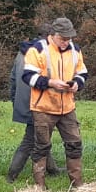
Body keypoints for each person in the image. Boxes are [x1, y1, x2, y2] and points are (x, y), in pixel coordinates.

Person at [22, 17, 88, 189]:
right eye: (63, 38)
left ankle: (78, 185)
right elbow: (28, 76)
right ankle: (40, 187)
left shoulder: (75, 50)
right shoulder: (37, 49)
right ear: (53, 35)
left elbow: (82, 72)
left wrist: (77, 83)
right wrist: (50, 83)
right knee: (42, 146)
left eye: (69, 38)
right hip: (43, 108)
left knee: (74, 144)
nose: (66, 42)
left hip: (67, 107)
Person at [7, 33, 60, 181]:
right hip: (38, 104)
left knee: (41, 136)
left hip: (23, 103)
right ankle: (11, 175)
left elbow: (13, 80)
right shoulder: (43, 54)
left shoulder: (21, 54)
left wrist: (16, 103)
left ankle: (52, 169)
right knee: (30, 141)